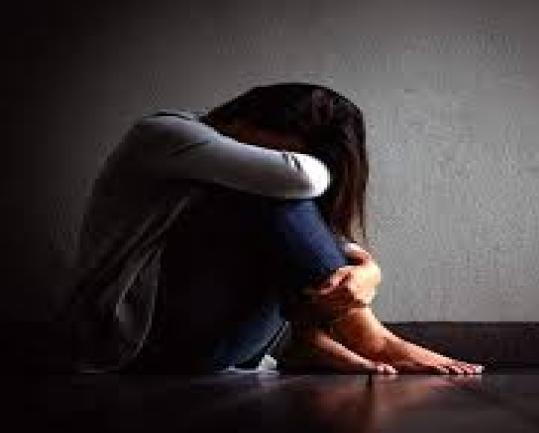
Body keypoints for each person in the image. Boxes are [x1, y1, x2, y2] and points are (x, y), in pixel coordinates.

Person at [61, 82, 483, 375]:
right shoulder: (162, 134)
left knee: (273, 193)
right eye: (283, 153)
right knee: (274, 190)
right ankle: (369, 338)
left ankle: (304, 340)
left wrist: (367, 267)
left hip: (234, 345)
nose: (284, 163)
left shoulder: (235, 161)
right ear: (247, 119)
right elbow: (299, 179)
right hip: (137, 343)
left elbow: (310, 229)